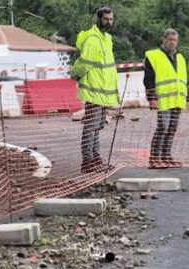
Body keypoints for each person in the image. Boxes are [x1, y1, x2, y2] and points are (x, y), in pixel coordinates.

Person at [70, 7, 119, 173]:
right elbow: (84, 62)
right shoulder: (93, 39)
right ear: (98, 19)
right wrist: (75, 75)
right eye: (106, 19)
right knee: (91, 127)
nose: (109, 22)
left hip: (103, 92)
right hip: (93, 91)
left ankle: (95, 159)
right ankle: (88, 161)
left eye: (111, 19)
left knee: (97, 126)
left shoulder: (107, 39)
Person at [144, 29, 187, 168]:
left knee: (172, 129)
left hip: (177, 100)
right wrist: (151, 98)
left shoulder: (180, 57)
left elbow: (183, 79)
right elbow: (149, 79)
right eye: (170, 39)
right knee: (163, 127)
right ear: (163, 39)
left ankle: (166, 156)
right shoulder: (153, 56)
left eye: (175, 40)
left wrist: (187, 99)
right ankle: (155, 157)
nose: (172, 42)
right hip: (162, 99)